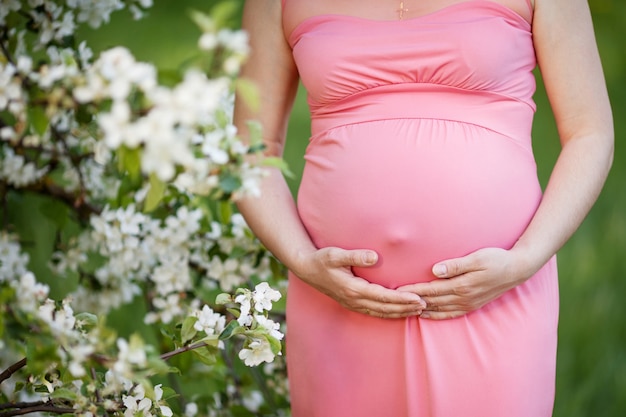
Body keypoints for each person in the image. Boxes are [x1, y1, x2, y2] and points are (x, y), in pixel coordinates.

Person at [233, 0, 613, 416]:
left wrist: (526, 259)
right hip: (338, 298)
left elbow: (589, 133)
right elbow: (251, 152)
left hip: (495, 291)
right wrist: (303, 262)